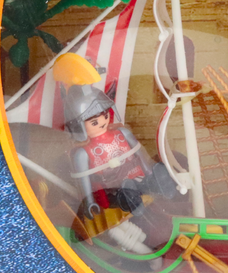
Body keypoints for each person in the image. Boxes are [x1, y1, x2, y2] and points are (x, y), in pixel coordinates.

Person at [64, 83, 177, 223]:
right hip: (112, 188)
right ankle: (133, 201)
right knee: (125, 192)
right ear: (79, 126)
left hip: (137, 176)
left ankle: (160, 186)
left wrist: (148, 170)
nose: (102, 122)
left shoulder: (122, 133)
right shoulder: (83, 153)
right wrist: (89, 200)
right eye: (94, 122)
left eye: (105, 115)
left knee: (155, 175)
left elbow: (139, 152)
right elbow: (84, 180)